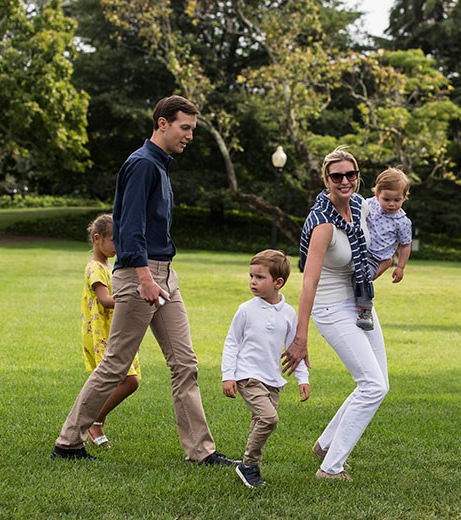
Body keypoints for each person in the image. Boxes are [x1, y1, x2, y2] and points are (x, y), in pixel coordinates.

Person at [52, 95, 237, 467]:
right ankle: (68, 441)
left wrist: (158, 277)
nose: (189, 136)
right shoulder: (142, 165)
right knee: (116, 365)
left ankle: (201, 452)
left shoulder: (160, 166)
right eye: (185, 128)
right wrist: (143, 278)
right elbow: (129, 225)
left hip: (165, 274)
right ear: (162, 124)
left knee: (184, 363)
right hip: (142, 275)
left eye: (192, 129)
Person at [282, 146, 388, 481]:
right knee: (372, 386)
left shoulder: (361, 206)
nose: (345, 181)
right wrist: (300, 338)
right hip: (330, 309)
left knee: (379, 383)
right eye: (337, 176)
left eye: (351, 174)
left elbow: (392, 214)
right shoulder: (323, 225)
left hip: (360, 303)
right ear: (326, 180)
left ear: (358, 176)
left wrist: (394, 256)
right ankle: (330, 468)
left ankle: (326, 443)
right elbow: (308, 284)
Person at [221, 249, 310, 489]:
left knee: (258, 422)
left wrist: (303, 379)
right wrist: (228, 376)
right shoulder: (246, 310)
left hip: (273, 380)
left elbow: (295, 351)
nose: (252, 281)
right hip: (248, 376)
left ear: (278, 282)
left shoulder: (289, 314)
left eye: (260, 277)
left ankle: (250, 467)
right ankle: (249, 465)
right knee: (269, 419)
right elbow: (232, 342)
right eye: (251, 276)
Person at [80, 213, 140, 447]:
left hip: (117, 331)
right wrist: (132, 297)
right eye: (115, 240)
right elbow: (105, 300)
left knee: (124, 380)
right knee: (130, 381)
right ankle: (94, 421)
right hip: (102, 333)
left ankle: (95, 422)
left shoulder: (109, 265)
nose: (119, 245)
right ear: (97, 238)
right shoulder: (94, 268)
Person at [355, 167, 413, 330]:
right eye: (386, 199)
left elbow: (405, 245)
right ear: (377, 194)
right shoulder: (368, 205)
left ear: (404, 197)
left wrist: (400, 267)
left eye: (397, 200)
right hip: (357, 249)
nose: (392, 204)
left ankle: (365, 311)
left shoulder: (402, 222)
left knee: (363, 276)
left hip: (375, 258)